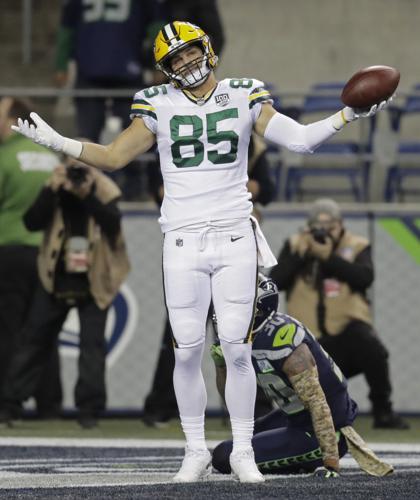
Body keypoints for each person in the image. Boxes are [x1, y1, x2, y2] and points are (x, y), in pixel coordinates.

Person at [11, 21, 392, 482]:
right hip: (183, 238)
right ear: (165, 69)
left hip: (233, 235)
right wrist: (58, 142)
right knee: (188, 350)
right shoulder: (156, 103)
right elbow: (113, 157)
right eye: (175, 59)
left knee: (236, 347)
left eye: (190, 53)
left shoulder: (245, 93)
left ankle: (244, 451)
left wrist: (348, 115)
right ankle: (194, 449)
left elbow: (300, 140)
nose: (186, 63)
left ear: (206, 50)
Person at [143, 133, 276, 427]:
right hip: (191, 246)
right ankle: (161, 406)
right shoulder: (174, 139)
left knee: (239, 337)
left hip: (232, 246)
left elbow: (265, 188)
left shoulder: (248, 143)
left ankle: (252, 411)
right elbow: (161, 191)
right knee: (182, 338)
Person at [211, 275, 394, 478]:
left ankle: (309, 457)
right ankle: (295, 458)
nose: (226, 312)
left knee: (224, 456)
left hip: (324, 429)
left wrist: (330, 463)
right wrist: (222, 368)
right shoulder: (247, 336)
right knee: (240, 441)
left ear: (258, 310)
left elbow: (318, 402)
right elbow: (234, 402)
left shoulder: (281, 340)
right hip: (295, 417)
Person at [0, 154, 130, 429]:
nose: (77, 173)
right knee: (33, 341)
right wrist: (50, 189)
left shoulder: (105, 188)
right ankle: (10, 404)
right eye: (72, 167)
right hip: (55, 277)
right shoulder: (55, 187)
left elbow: (113, 225)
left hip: (94, 279)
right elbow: (32, 222)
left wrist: (88, 194)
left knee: (92, 346)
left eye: (82, 167)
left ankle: (89, 411)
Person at [270, 198, 408, 430]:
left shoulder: (356, 246)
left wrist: (328, 258)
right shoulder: (296, 245)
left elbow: (364, 277)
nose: (324, 233)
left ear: (341, 225)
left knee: (373, 349)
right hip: (307, 341)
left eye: (330, 227)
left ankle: (383, 412)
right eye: (318, 227)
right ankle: (276, 417)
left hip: (346, 334)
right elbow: (275, 282)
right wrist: (301, 255)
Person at [54, 0, 164, 199]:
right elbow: (67, 26)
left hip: (125, 70)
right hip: (94, 71)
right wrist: (61, 63)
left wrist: (159, 63)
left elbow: (156, 25)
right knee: (87, 135)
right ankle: (89, 188)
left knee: (138, 134)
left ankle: (134, 186)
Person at [0, 96, 62, 419]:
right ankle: (49, 402)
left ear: (12, 121)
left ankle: (7, 402)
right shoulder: (49, 159)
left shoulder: (5, 158)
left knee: (8, 329)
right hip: (45, 255)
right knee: (42, 329)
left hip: (8, 249)